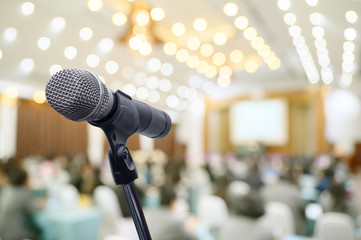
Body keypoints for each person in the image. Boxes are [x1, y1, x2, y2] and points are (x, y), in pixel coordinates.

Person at [0, 166, 42, 240]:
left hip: (3, 232)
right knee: (41, 231)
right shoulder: (24, 192)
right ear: (25, 179)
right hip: (17, 234)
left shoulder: (7, 189)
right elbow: (34, 209)